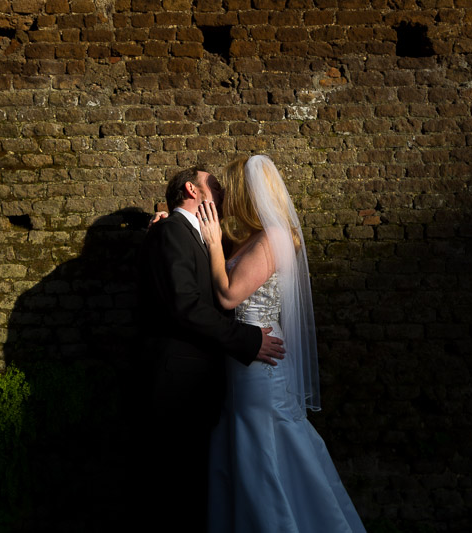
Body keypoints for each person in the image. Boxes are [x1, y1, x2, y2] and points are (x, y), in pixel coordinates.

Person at [197, 155, 366, 533]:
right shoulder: (255, 237)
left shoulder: (273, 238)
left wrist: (210, 243)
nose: (223, 199)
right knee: (253, 446)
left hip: (259, 363)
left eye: (229, 191)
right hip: (246, 358)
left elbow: (227, 295)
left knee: (264, 450)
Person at [137, 166, 286, 531]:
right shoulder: (173, 231)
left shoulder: (205, 233)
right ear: (192, 189)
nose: (222, 192)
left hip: (206, 379)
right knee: (180, 486)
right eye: (214, 186)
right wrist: (247, 341)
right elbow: (186, 305)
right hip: (179, 382)